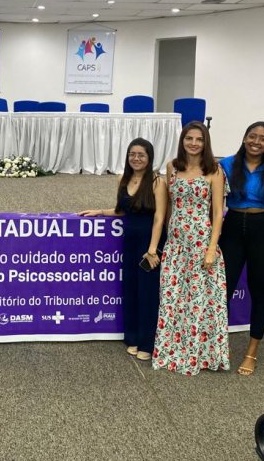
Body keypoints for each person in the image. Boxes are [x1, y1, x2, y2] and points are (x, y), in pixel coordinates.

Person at [152, 121, 229, 375]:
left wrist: (211, 248)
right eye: (189, 138)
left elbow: (217, 212)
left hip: (201, 243)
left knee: (198, 301)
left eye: (199, 139)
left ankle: (199, 355)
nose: (194, 143)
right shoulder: (172, 166)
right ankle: (172, 352)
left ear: (205, 142)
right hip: (176, 244)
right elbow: (169, 206)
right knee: (173, 299)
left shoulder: (214, 170)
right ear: (182, 140)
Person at [79, 138, 166, 360]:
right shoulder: (123, 179)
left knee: (148, 293)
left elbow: (159, 217)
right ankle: (134, 338)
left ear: (149, 158)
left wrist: (153, 249)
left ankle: (148, 342)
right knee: (132, 289)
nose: (136, 158)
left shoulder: (157, 182)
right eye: (132, 154)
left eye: (141, 155)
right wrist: (99, 211)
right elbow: (122, 210)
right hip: (129, 242)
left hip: (150, 243)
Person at [219, 122, 264, 376]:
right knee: (223, 288)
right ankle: (215, 345)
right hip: (233, 226)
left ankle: (251, 352)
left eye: (263, 139)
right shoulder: (226, 164)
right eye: (252, 136)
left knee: (259, 290)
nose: (256, 142)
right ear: (244, 137)